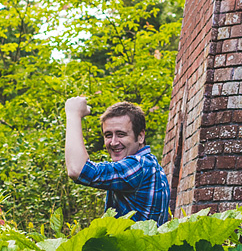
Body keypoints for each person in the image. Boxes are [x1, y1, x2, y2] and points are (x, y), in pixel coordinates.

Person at [63, 95, 171, 224]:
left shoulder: (139, 166)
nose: (113, 142)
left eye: (121, 134)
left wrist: (73, 113)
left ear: (140, 136)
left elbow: (77, 169)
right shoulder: (151, 164)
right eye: (108, 135)